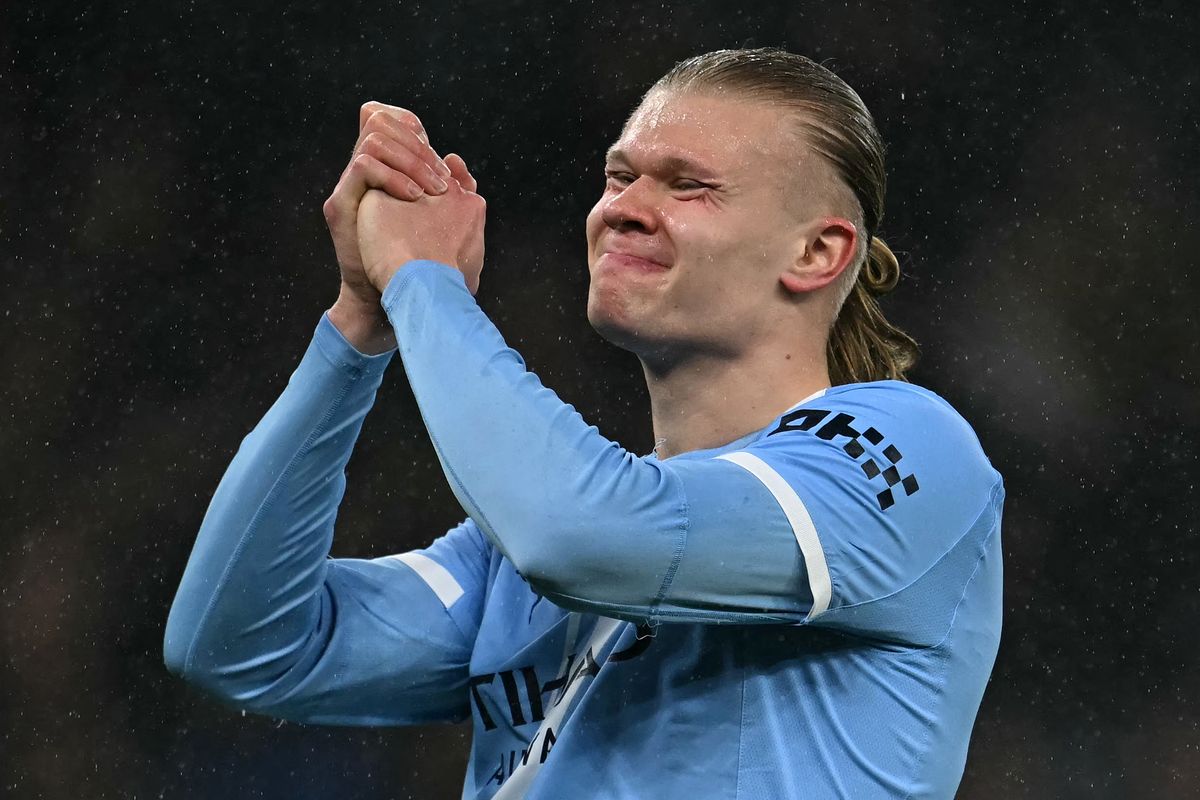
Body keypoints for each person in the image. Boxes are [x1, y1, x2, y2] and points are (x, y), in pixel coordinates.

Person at [165, 48, 1004, 799]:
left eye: (690, 186)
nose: (626, 209)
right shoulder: (512, 560)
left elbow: (586, 535)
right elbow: (237, 643)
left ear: (817, 254)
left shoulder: (902, 453)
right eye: (618, 177)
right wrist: (361, 325)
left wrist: (425, 282)